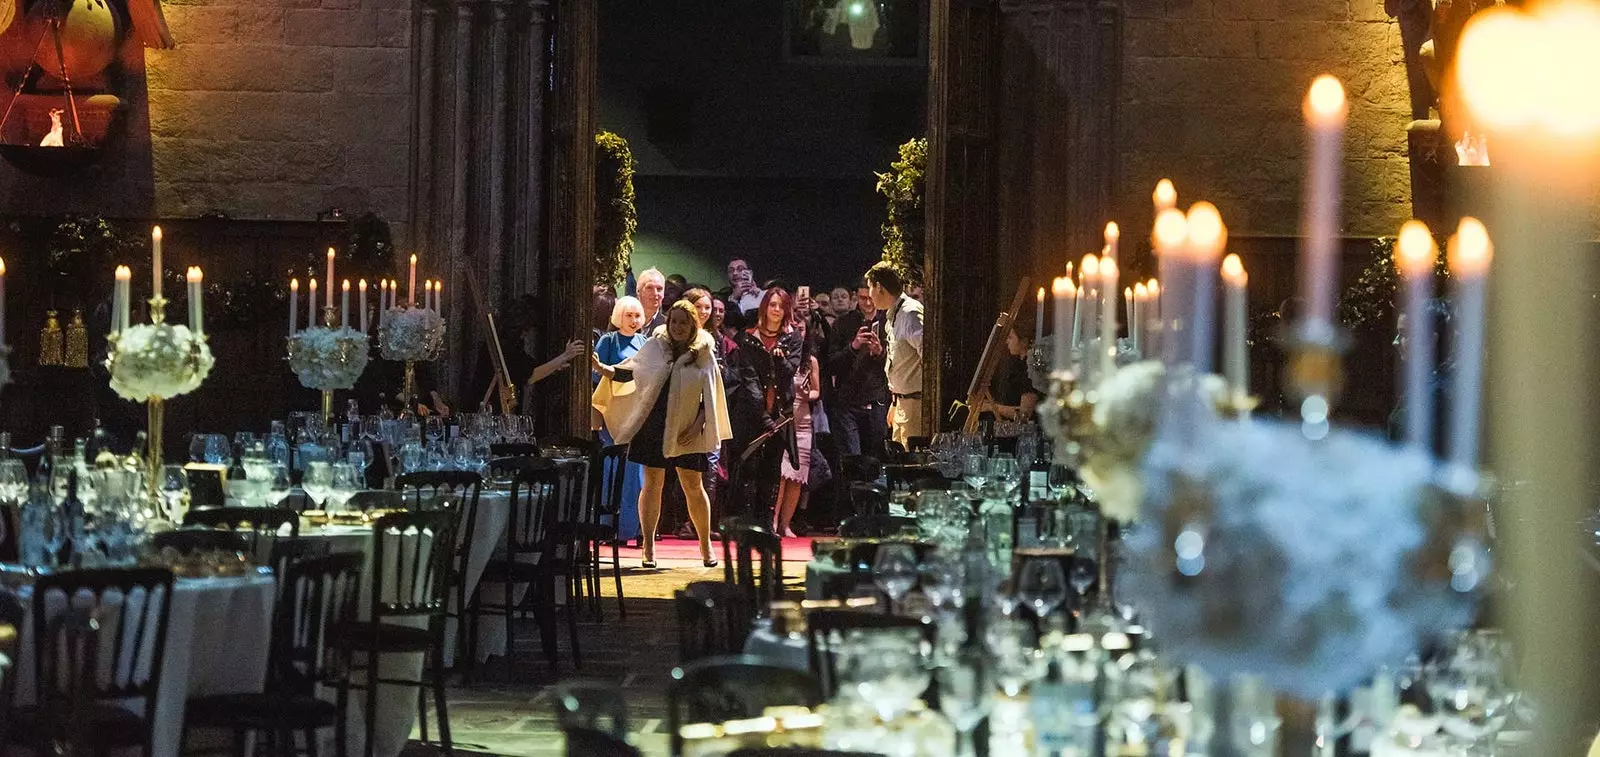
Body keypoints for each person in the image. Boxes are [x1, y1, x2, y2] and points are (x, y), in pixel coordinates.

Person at [592, 300, 731, 567]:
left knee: (693, 486)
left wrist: (696, 425)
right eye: (674, 321)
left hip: (687, 428)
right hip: (654, 426)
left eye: (684, 322)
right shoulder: (655, 347)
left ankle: (706, 547)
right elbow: (629, 373)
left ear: (693, 324)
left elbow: (710, 398)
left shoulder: (704, 354)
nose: (678, 327)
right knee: (652, 484)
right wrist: (602, 369)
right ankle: (648, 548)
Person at [726, 288, 803, 523]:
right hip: (750, 415)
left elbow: (790, 374)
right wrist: (762, 416)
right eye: (772, 305)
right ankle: (745, 522)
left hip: (780, 416)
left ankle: (766, 523)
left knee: (771, 470)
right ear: (764, 308)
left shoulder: (793, 339)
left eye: (781, 306)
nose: (776, 310)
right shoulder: (746, 338)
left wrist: (780, 360)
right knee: (747, 468)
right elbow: (747, 379)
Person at [592, 296, 648, 542]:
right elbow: (595, 375)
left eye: (637, 316)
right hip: (612, 415)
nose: (633, 320)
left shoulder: (645, 342)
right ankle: (608, 527)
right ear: (619, 316)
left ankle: (635, 528)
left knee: (636, 474)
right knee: (612, 469)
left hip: (636, 415)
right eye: (629, 315)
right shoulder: (608, 340)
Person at [829, 280, 889, 456]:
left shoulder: (888, 321)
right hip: (848, 403)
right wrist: (853, 346)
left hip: (876, 400)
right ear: (855, 297)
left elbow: (897, 365)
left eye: (871, 298)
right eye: (863, 298)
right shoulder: (843, 323)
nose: (868, 303)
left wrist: (880, 352)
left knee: (876, 459)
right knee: (851, 461)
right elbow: (832, 364)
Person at [866, 262, 924, 446]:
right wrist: (896, 400)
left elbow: (929, 358)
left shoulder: (910, 313)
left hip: (915, 404)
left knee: (911, 462)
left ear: (879, 287)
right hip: (901, 402)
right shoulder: (895, 315)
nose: (869, 295)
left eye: (870, 288)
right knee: (899, 458)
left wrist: (911, 399)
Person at [774, 323, 821, 537]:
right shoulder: (780, 355)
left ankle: (786, 524)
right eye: (794, 329)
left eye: (802, 329)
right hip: (784, 419)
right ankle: (773, 522)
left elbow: (816, 392)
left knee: (797, 476)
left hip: (803, 422)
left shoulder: (810, 362)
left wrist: (806, 392)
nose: (798, 334)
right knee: (781, 474)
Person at [638, 267, 667, 332]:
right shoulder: (623, 320)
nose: (655, 293)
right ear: (638, 291)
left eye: (659, 289)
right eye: (649, 288)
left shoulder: (668, 325)